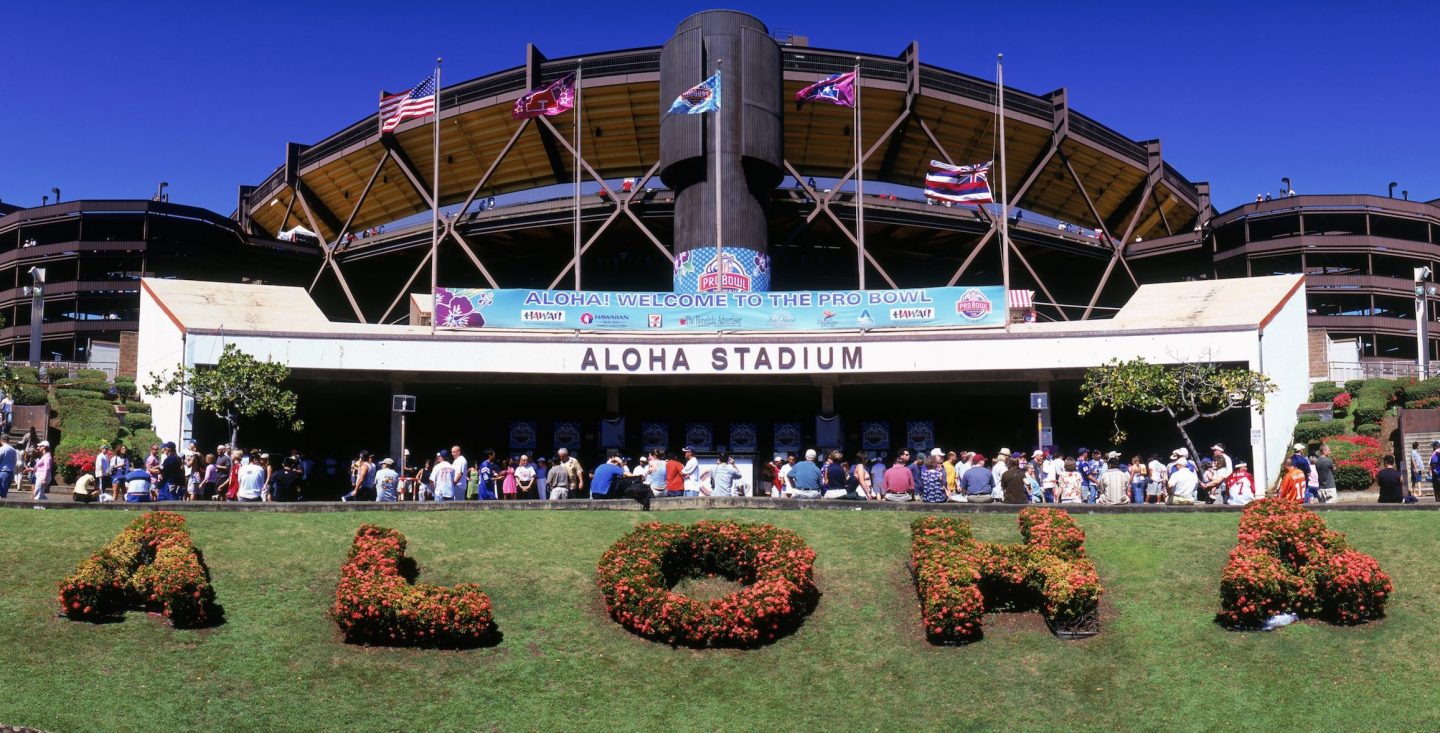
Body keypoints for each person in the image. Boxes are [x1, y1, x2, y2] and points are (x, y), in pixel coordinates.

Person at [0, 435, 16, 499]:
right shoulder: (13, 449)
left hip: (3, 471)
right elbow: (15, 461)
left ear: (1, 440)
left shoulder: (2, 449)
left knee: (2, 493)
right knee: (4, 493)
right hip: (11, 472)